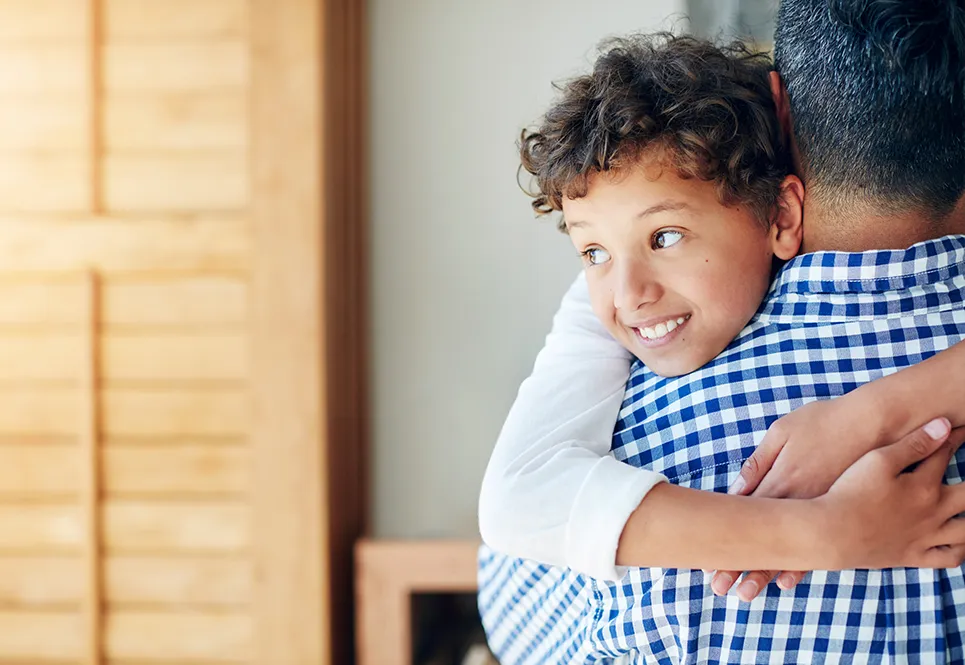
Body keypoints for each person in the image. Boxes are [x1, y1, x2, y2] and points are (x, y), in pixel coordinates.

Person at [477, 0, 965, 662]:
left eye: (668, 235)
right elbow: (515, 503)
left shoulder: (643, 465)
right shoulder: (620, 303)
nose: (627, 292)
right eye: (589, 252)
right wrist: (824, 530)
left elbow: (512, 593)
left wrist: (871, 417)